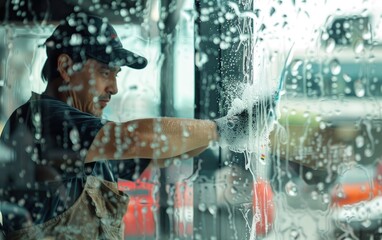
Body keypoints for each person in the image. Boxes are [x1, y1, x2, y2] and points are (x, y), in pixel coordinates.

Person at [0, 12, 266, 240]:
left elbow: (160, 154)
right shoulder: (41, 120)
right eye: (105, 73)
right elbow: (137, 137)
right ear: (66, 66)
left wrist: (232, 129)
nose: (114, 88)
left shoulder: (85, 143)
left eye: (116, 75)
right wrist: (222, 128)